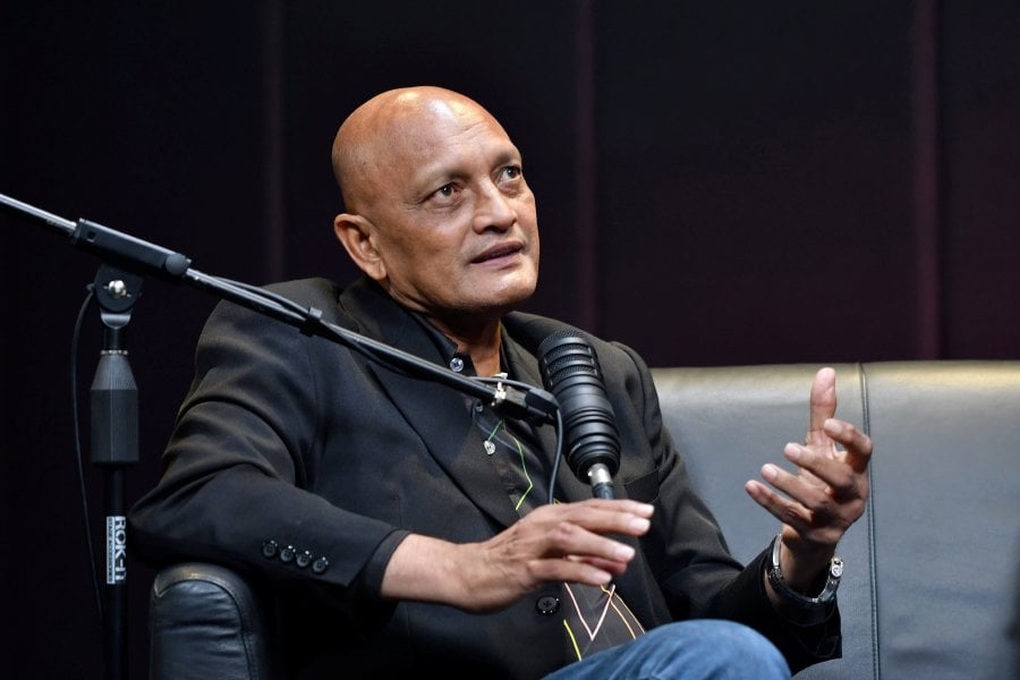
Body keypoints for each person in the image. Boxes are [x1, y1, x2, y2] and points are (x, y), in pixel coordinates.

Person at [128, 85, 873, 678]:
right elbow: (197, 497)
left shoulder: (599, 369)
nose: (498, 213)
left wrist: (802, 554)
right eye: (447, 193)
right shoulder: (300, 337)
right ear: (366, 244)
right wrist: (459, 568)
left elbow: (721, 635)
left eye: (509, 175)